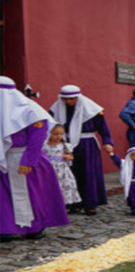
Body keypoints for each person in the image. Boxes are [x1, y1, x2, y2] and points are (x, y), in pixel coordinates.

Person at [1, 77, 69, 241]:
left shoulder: (31, 111)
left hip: (27, 158)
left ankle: (35, 227)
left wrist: (28, 161)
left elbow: (37, 138)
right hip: (4, 159)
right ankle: (6, 228)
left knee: (34, 194)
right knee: (4, 197)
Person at [51, 84, 114, 215]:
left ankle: (90, 203)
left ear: (78, 98)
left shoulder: (93, 111)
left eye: (71, 99)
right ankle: (72, 202)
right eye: (65, 99)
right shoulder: (55, 110)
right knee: (69, 175)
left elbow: (103, 129)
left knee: (88, 174)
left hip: (87, 145)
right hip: (64, 144)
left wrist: (107, 143)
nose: (68, 102)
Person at [44, 123, 82, 210]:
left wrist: (68, 157)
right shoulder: (45, 145)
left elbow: (71, 156)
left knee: (64, 186)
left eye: (61, 134)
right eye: (55, 134)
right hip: (49, 169)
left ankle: (63, 205)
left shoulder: (65, 145)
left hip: (62, 170)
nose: (58, 136)